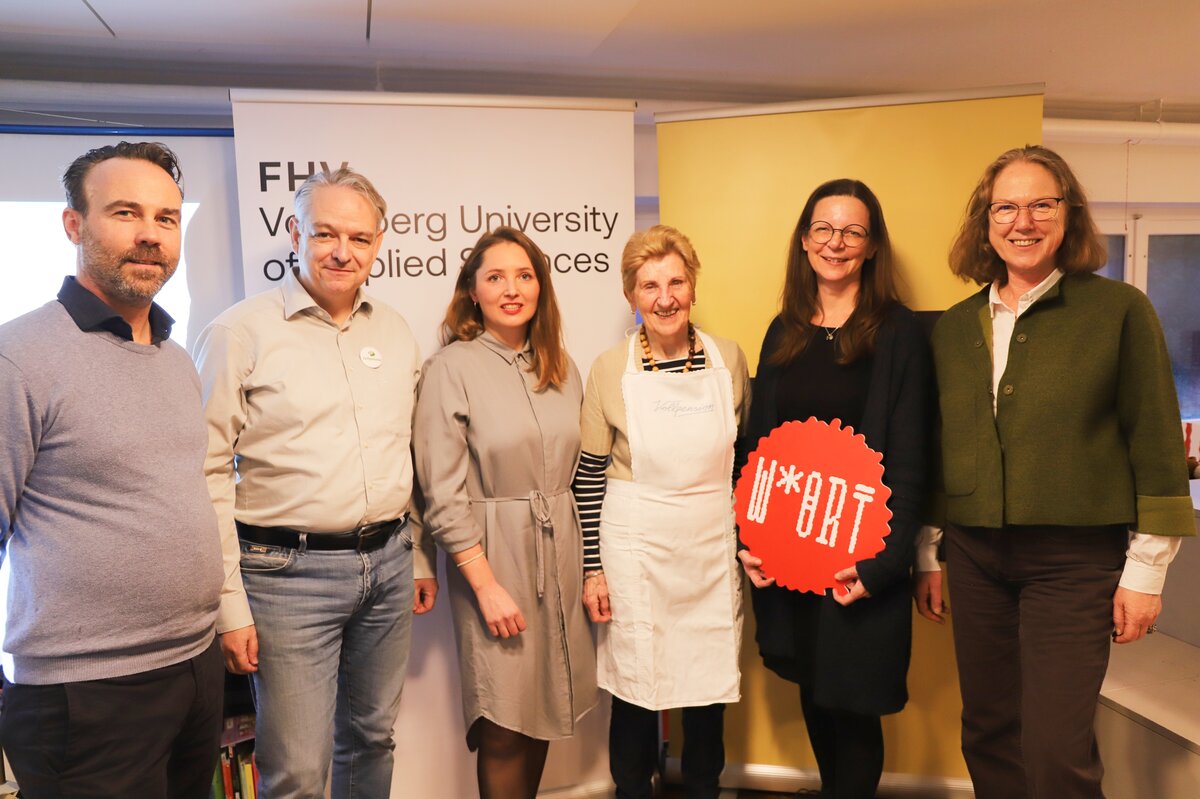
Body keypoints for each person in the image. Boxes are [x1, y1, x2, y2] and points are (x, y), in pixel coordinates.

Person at [913, 145, 1195, 799]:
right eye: (1006, 206)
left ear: (1068, 215)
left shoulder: (1119, 312)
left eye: (1042, 203)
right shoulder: (955, 329)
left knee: (1055, 749)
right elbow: (941, 445)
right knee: (987, 730)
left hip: (1074, 561)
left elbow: (1156, 443)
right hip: (976, 555)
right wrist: (930, 551)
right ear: (985, 223)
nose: (1024, 220)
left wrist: (1147, 572)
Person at [194, 167, 438, 799]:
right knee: (297, 769)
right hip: (285, 575)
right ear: (295, 232)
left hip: (386, 565)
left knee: (371, 742)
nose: (341, 251)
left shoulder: (393, 329)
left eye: (359, 237)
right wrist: (229, 605)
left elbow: (400, 450)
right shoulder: (238, 332)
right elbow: (206, 474)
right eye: (325, 232)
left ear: (379, 243)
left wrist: (414, 553)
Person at [0, 142, 225, 798]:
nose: (150, 235)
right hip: (87, 695)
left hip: (195, 666)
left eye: (167, 218)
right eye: (126, 213)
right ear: (74, 224)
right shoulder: (20, 358)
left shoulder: (176, 357)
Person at [736, 180, 931, 799]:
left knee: (854, 704)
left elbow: (911, 458)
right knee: (817, 695)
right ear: (803, 239)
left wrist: (883, 565)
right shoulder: (782, 331)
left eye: (852, 231)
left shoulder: (897, 334)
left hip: (860, 562)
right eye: (823, 228)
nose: (835, 243)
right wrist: (752, 539)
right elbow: (756, 448)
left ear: (872, 246)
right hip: (792, 558)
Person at [413, 226, 597, 799]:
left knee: (546, 707)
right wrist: (485, 584)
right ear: (473, 289)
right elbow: (439, 491)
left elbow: (584, 472)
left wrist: (590, 564)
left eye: (524, 275)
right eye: (495, 277)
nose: (511, 289)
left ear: (541, 286)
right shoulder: (451, 368)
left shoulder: (562, 366)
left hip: (559, 552)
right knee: (502, 721)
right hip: (492, 556)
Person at [576, 224, 749, 799]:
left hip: (710, 547)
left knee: (706, 687)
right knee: (634, 688)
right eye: (649, 286)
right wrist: (592, 568)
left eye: (676, 281)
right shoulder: (608, 369)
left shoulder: (728, 358)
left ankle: (703, 788)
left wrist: (751, 545)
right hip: (635, 550)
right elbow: (588, 478)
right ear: (631, 296)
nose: (665, 297)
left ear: (693, 286)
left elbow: (745, 461)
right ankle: (632, 789)